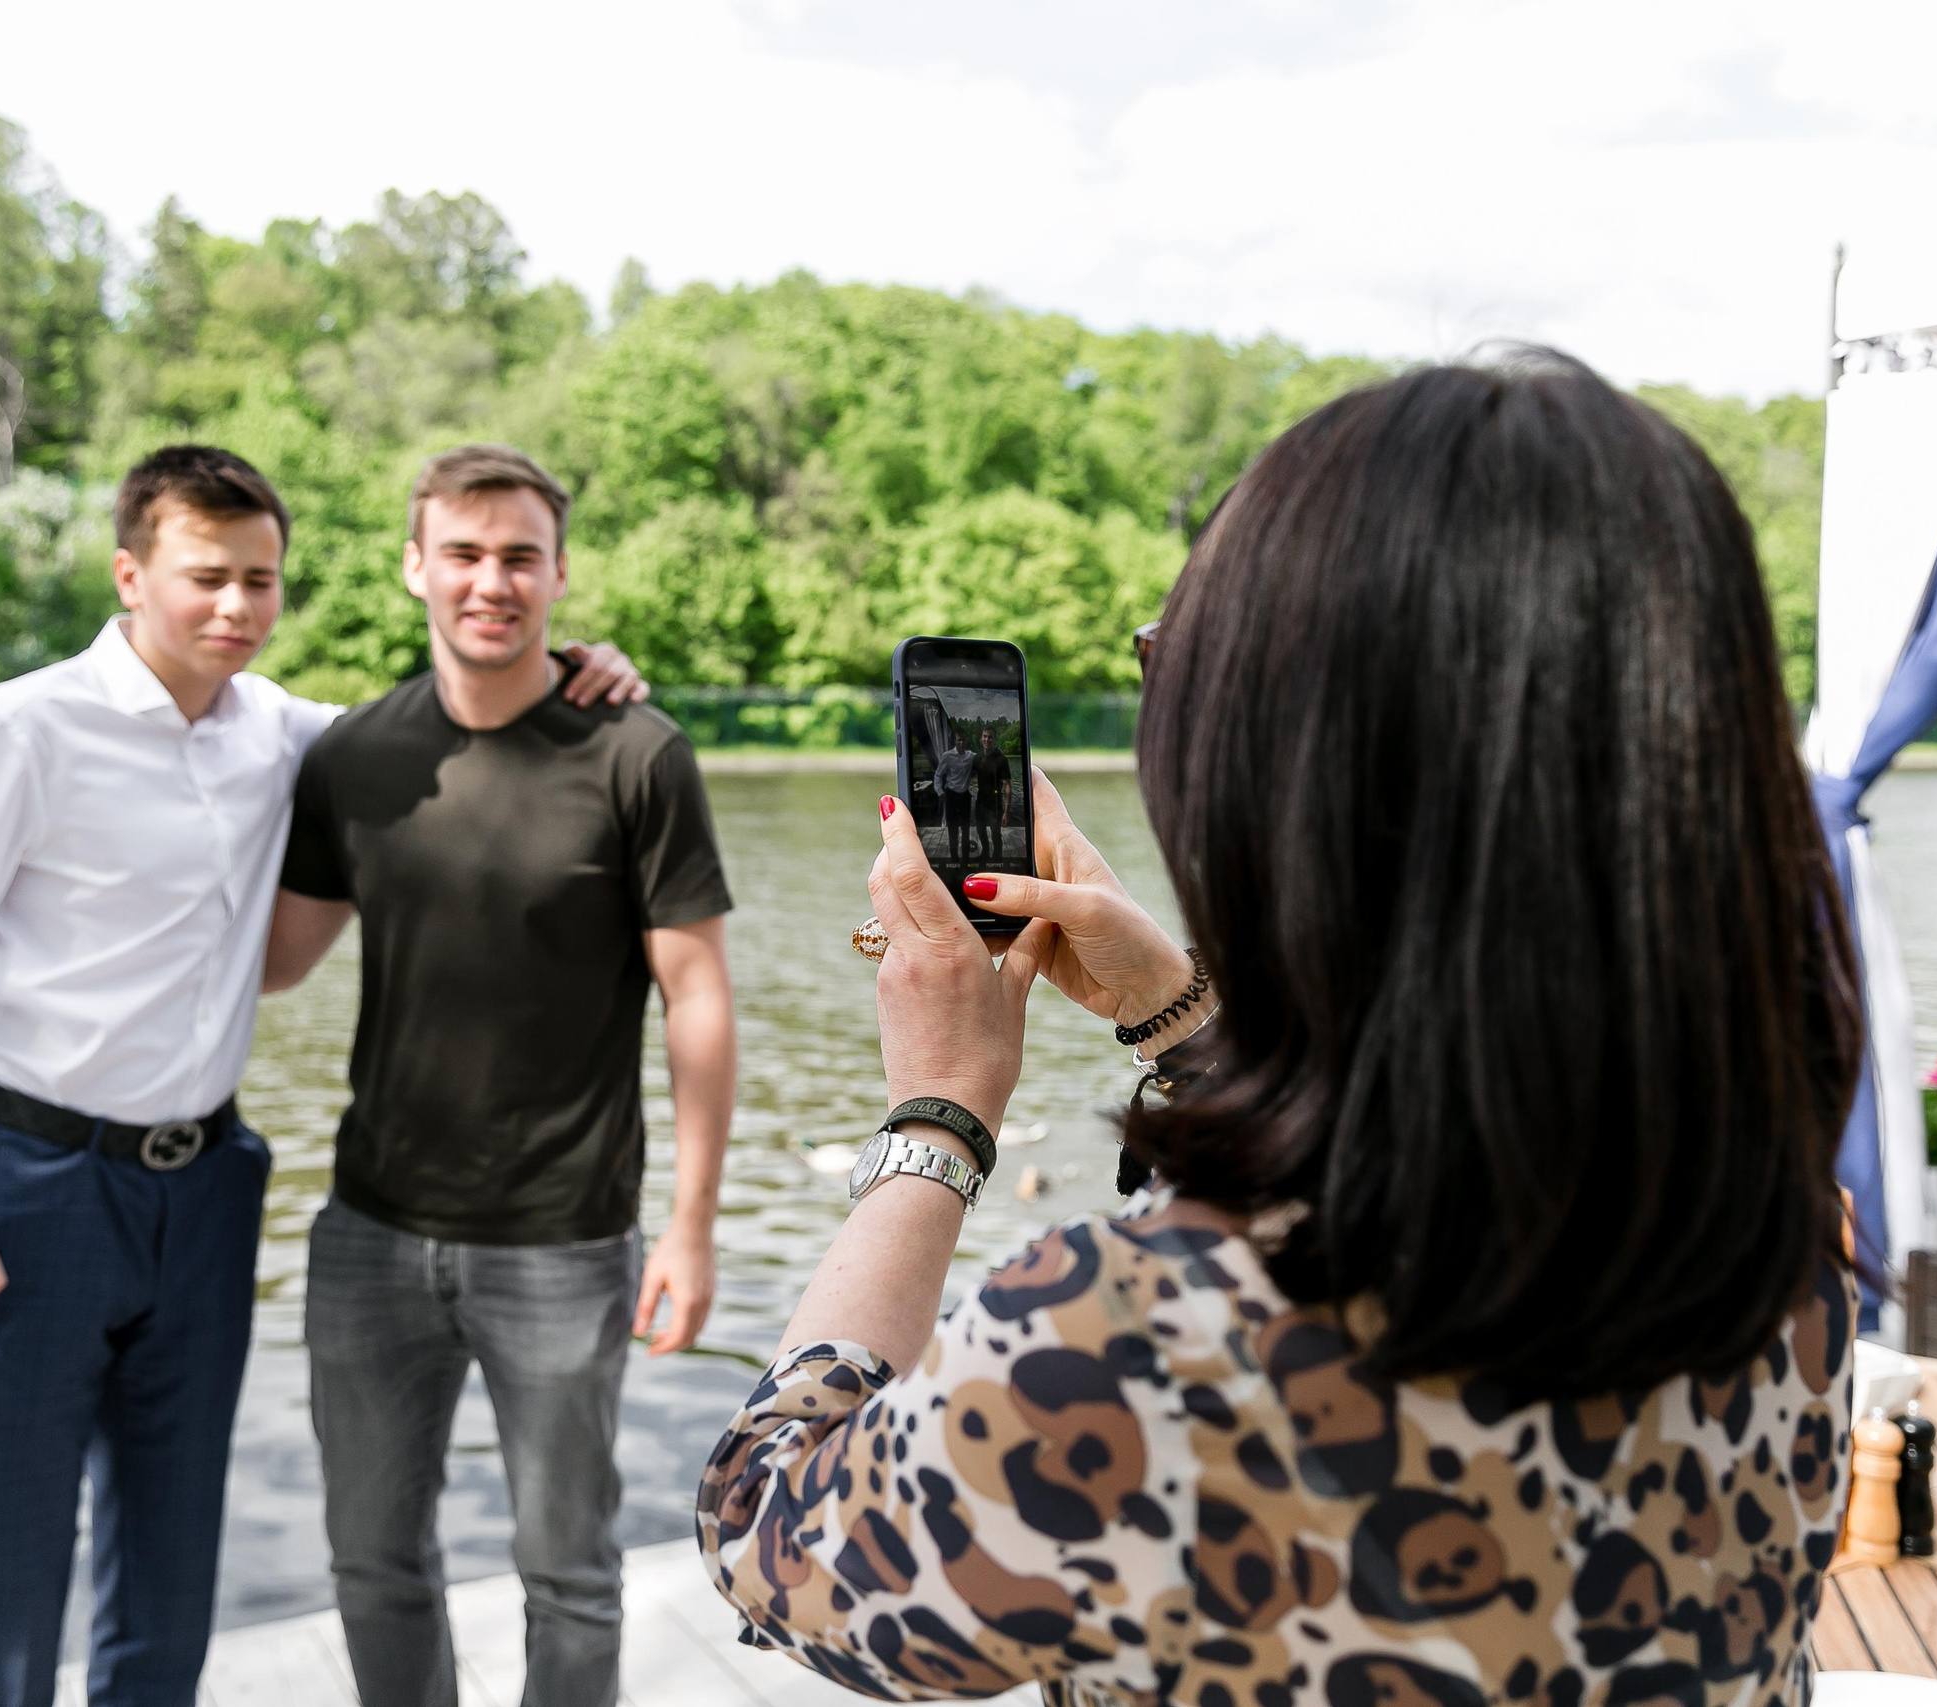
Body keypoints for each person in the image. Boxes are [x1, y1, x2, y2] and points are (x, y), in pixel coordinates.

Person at [697, 354, 1864, 1706]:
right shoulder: (1779, 1260)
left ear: (1293, 770)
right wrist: (1177, 1013)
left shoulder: (1132, 1344)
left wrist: (941, 1109)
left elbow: (769, 1525)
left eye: (1175, 663)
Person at [0, 445, 646, 1707]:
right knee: (5, 1568)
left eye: (261, 581)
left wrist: (588, 673)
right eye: (207, 578)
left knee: (169, 1572)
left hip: (203, 1190)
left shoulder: (293, 736)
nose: (237, 609)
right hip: (24, 1189)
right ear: (129, 572)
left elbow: (458, 717)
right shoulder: (13, 734)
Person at [261, 443, 737, 1707]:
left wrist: (688, 1229)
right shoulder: (353, 760)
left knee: (566, 1568)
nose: (491, 581)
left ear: (560, 574)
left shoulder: (636, 754)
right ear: (415, 564)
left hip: (564, 1241)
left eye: (519, 556)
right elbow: (268, 964)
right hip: (369, 1236)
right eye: (463, 553)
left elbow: (697, 997)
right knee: (372, 1561)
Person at [932, 724, 977, 863]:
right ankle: (954, 858)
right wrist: (939, 791)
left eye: (963, 740)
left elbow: (985, 760)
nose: (961, 743)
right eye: (959, 740)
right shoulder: (948, 756)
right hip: (951, 795)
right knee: (952, 829)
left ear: (966, 740)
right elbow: (938, 774)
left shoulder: (971, 756)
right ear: (955, 741)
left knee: (965, 827)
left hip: (965, 795)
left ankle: (965, 858)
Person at [975, 724, 1012, 861]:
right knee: (980, 830)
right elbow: (967, 776)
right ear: (981, 739)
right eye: (985, 736)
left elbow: (1007, 786)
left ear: (995, 740)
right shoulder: (977, 758)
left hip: (994, 804)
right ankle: (985, 853)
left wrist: (1006, 812)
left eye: (990, 737)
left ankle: (997, 859)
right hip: (980, 802)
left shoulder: (1001, 760)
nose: (987, 740)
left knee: (995, 834)